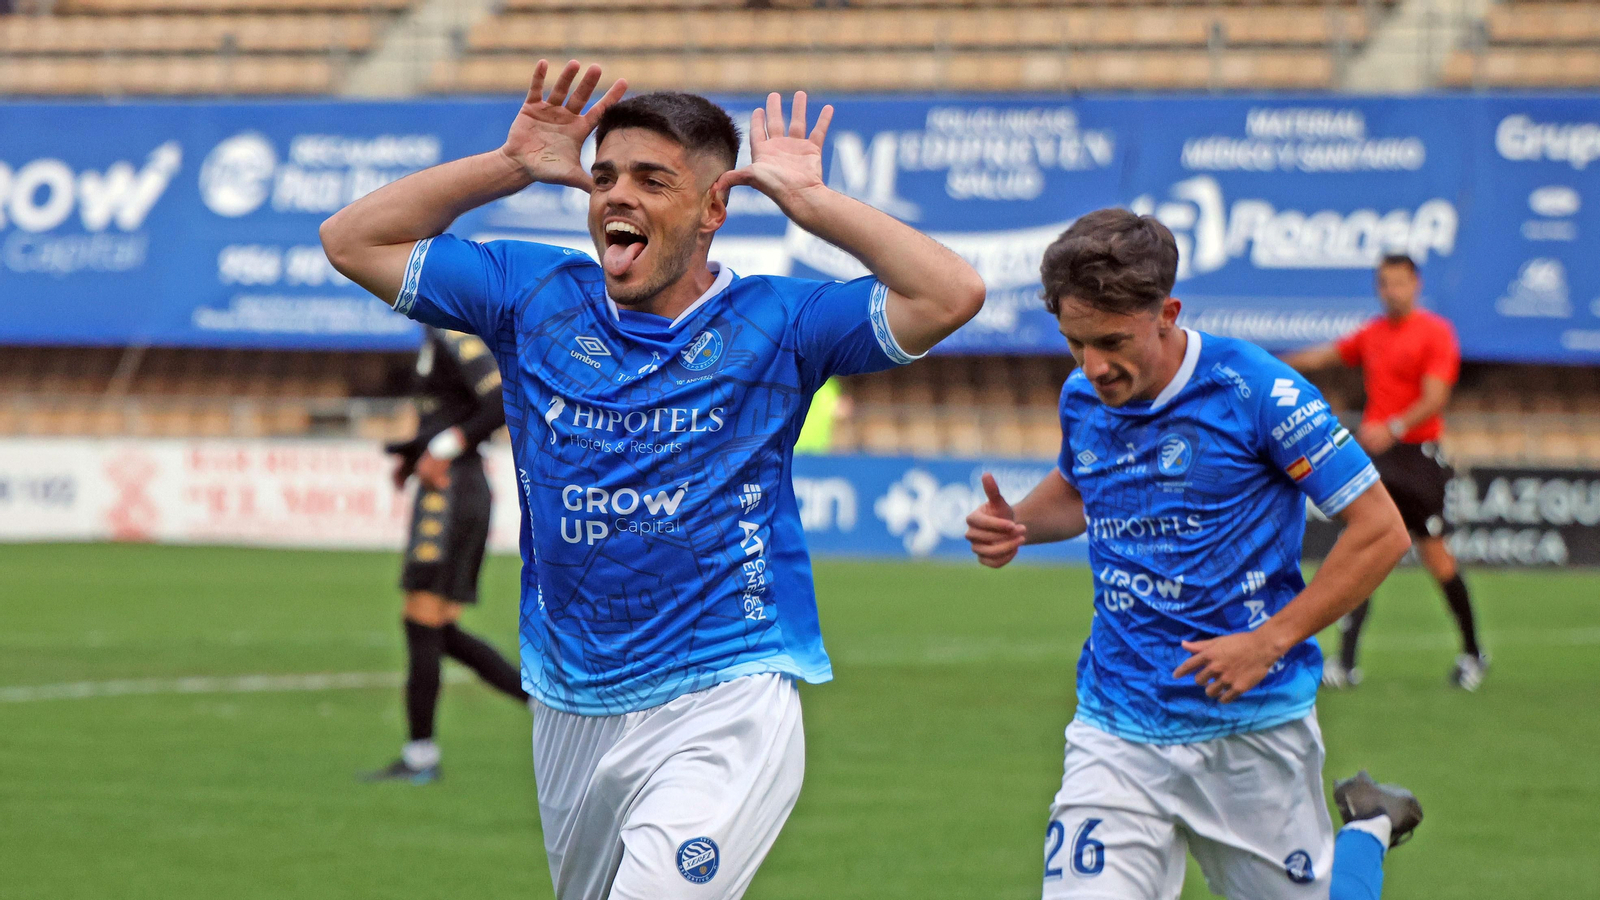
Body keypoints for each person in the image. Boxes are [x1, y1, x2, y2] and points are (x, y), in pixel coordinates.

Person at [321, 60, 984, 899]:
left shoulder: (780, 322)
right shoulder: (531, 294)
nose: (617, 196)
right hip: (570, 699)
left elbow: (952, 292)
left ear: (713, 209)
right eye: (604, 177)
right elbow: (351, 241)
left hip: (725, 693)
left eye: (651, 179)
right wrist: (510, 165)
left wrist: (812, 203)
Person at [964, 210, 1422, 900]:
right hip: (1116, 726)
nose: (1093, 366)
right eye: (1075, 343)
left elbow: (1381, 531)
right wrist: (1018, 523)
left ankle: (1368, 828)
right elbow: (1084, 487)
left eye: (1111, 342)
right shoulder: (1083, 395)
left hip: (1251, 726)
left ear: (1167, 314)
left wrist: (1268, 641)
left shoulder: (1259, 392)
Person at [1284, 255, 1486, 690]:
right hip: (1378, 459)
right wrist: (1271, 365)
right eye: (1385, 283)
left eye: (1399, 282)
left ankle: (1473, 653)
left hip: (1418, 458)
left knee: (1438, 560)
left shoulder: (1435, 332)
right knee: (1363, 552)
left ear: (1416, 284)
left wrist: (1393, 427)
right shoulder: (1372, 333)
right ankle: (1346, 663)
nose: (1391, 291)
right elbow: (1328, 354)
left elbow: (1435, 397)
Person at [363, 325, 531, 784]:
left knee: (422, 620)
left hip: (453, 492)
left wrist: (441, 449)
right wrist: (411, 454)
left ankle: (421, 756)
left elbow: (499, 401)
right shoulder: (434, 336)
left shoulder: (455, 333)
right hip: (449, 488)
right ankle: (541, 704)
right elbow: (448, 413)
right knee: (435, 628)